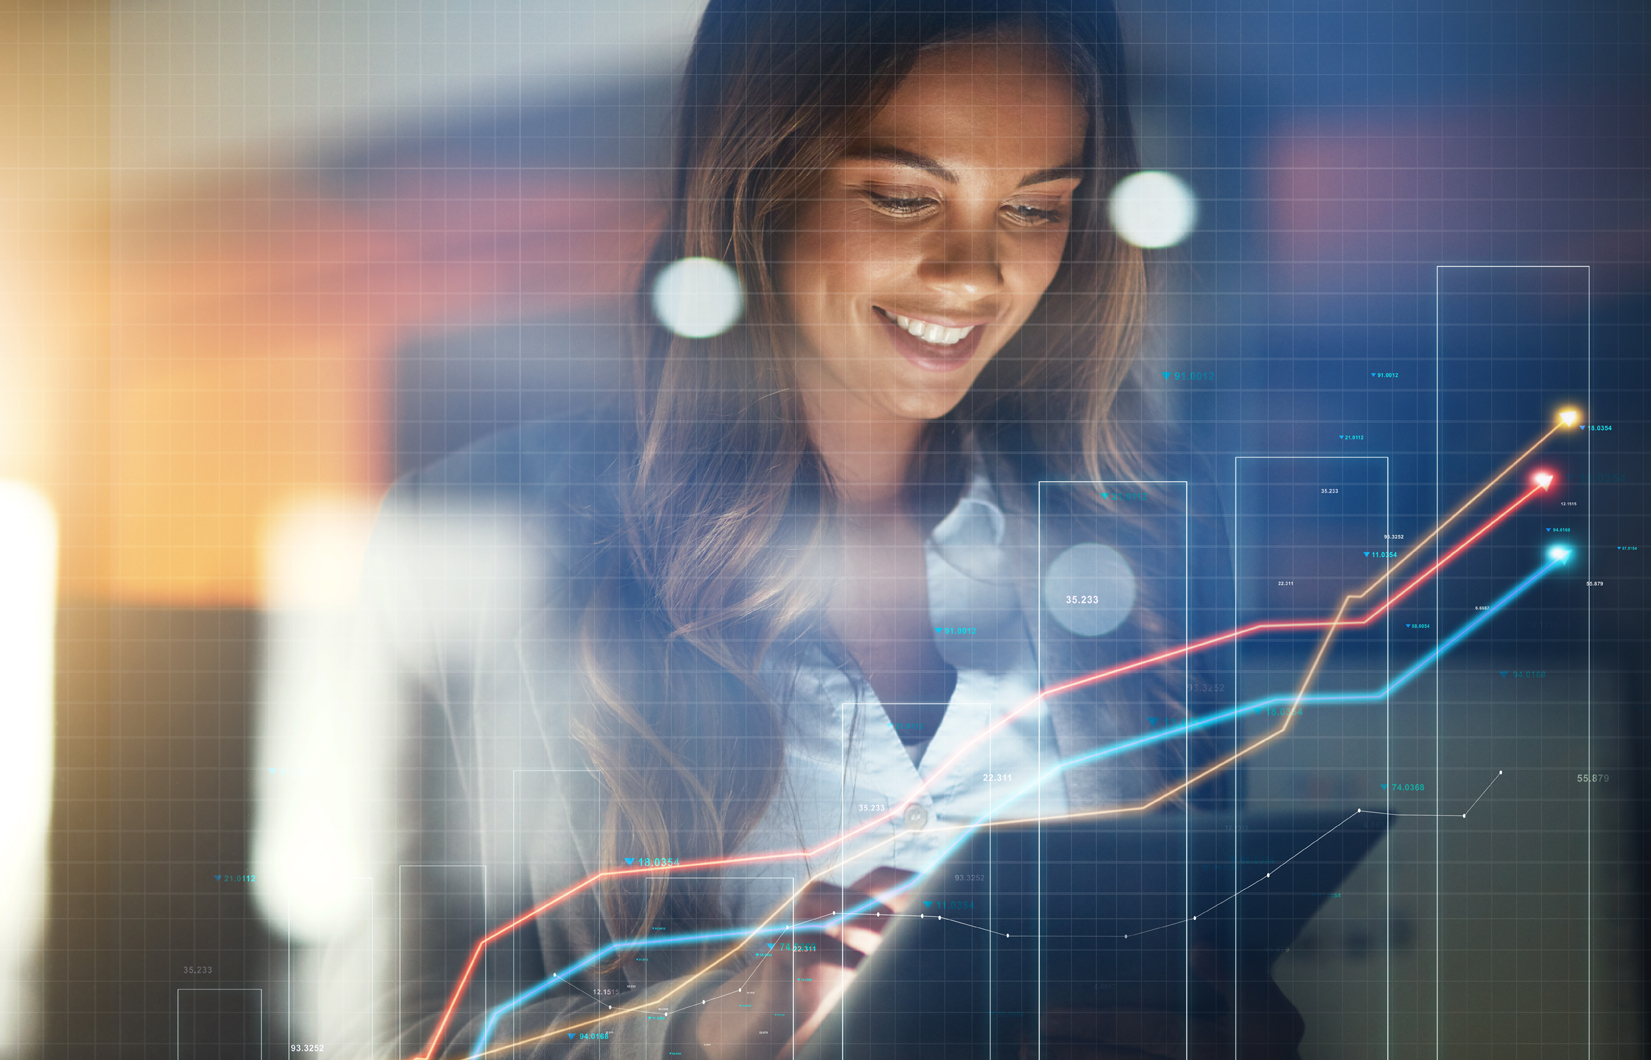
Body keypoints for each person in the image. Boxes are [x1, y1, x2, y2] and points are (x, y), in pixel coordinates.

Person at [320, 1, 1297, 1056]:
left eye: (1033, 209)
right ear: (755, 179)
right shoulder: (472, 550)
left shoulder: (1142, 554)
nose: (974, 272)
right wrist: (710, 1027)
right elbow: (379, 1030)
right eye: (900, 196)